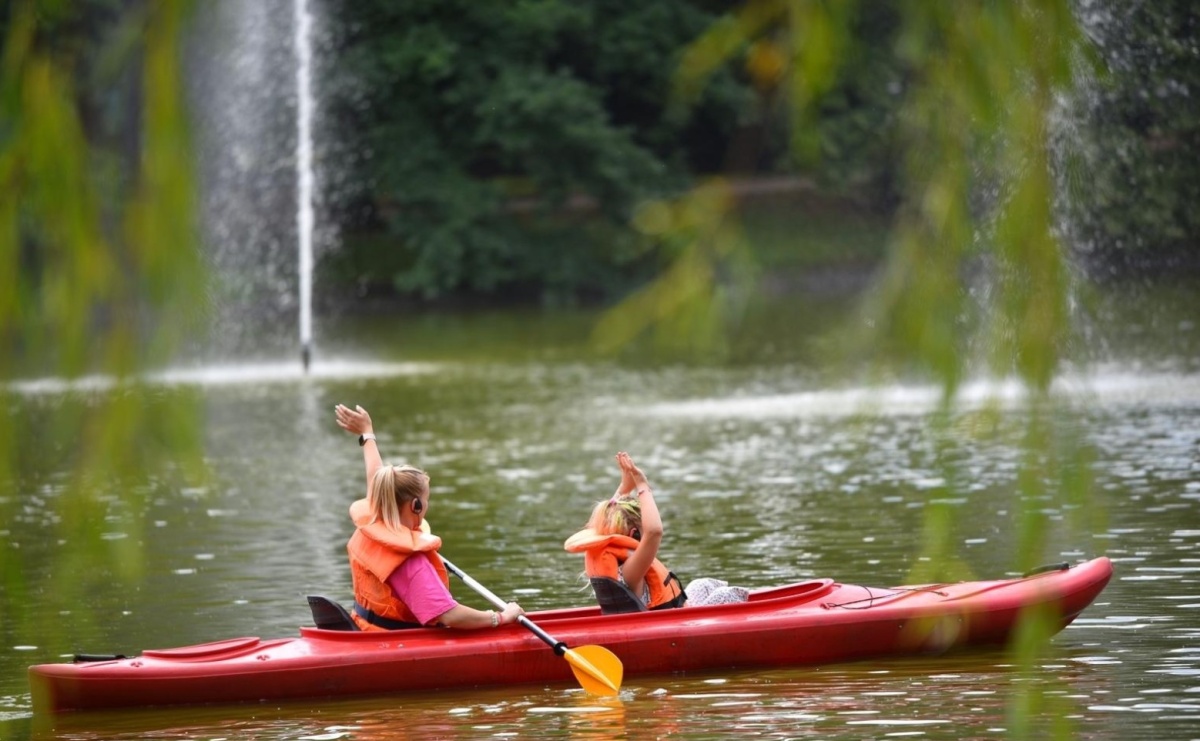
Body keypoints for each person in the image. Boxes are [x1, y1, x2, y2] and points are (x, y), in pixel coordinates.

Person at [334, 403, 524, 631]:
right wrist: (501, 617)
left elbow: (375, 476)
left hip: (364, 628)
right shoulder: (409, 562)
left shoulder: (375, 518)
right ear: (415, 505)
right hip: (393, 645)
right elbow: (450, 616)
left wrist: (368, 434)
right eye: (426, 499)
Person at [564, 451, 748, 610]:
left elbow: (609, 513)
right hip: (679, 624)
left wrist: (625, 487)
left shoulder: (613, 558)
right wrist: (643, 486)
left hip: (680, 609)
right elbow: (654, 532)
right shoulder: (630, 571)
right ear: (634, 535)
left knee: (703, 584)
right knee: (727, 594)